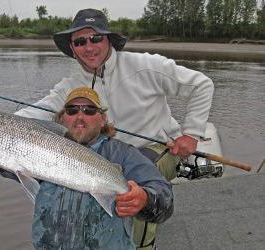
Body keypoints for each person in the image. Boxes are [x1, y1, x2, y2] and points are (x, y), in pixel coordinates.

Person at [11, 8, 214, 249]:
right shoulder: (70, 86)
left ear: (108, 40)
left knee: (138, 185)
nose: (89, 47)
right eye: (80, 41)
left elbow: (202, 85)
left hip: (155, 148)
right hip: (103, 152)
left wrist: (191, 133)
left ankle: (142, 242)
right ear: (72, 48)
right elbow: (31, 114)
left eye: (96, 38)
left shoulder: (146, 65)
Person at [0, 87, 172, 249]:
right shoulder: (42, 148)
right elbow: (12, 166)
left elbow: (165, 200)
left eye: (89, 110)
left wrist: (145, 199)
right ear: (62, 118)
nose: (80, 116)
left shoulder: (123, 153)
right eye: (72, 110)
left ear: (102, 118)